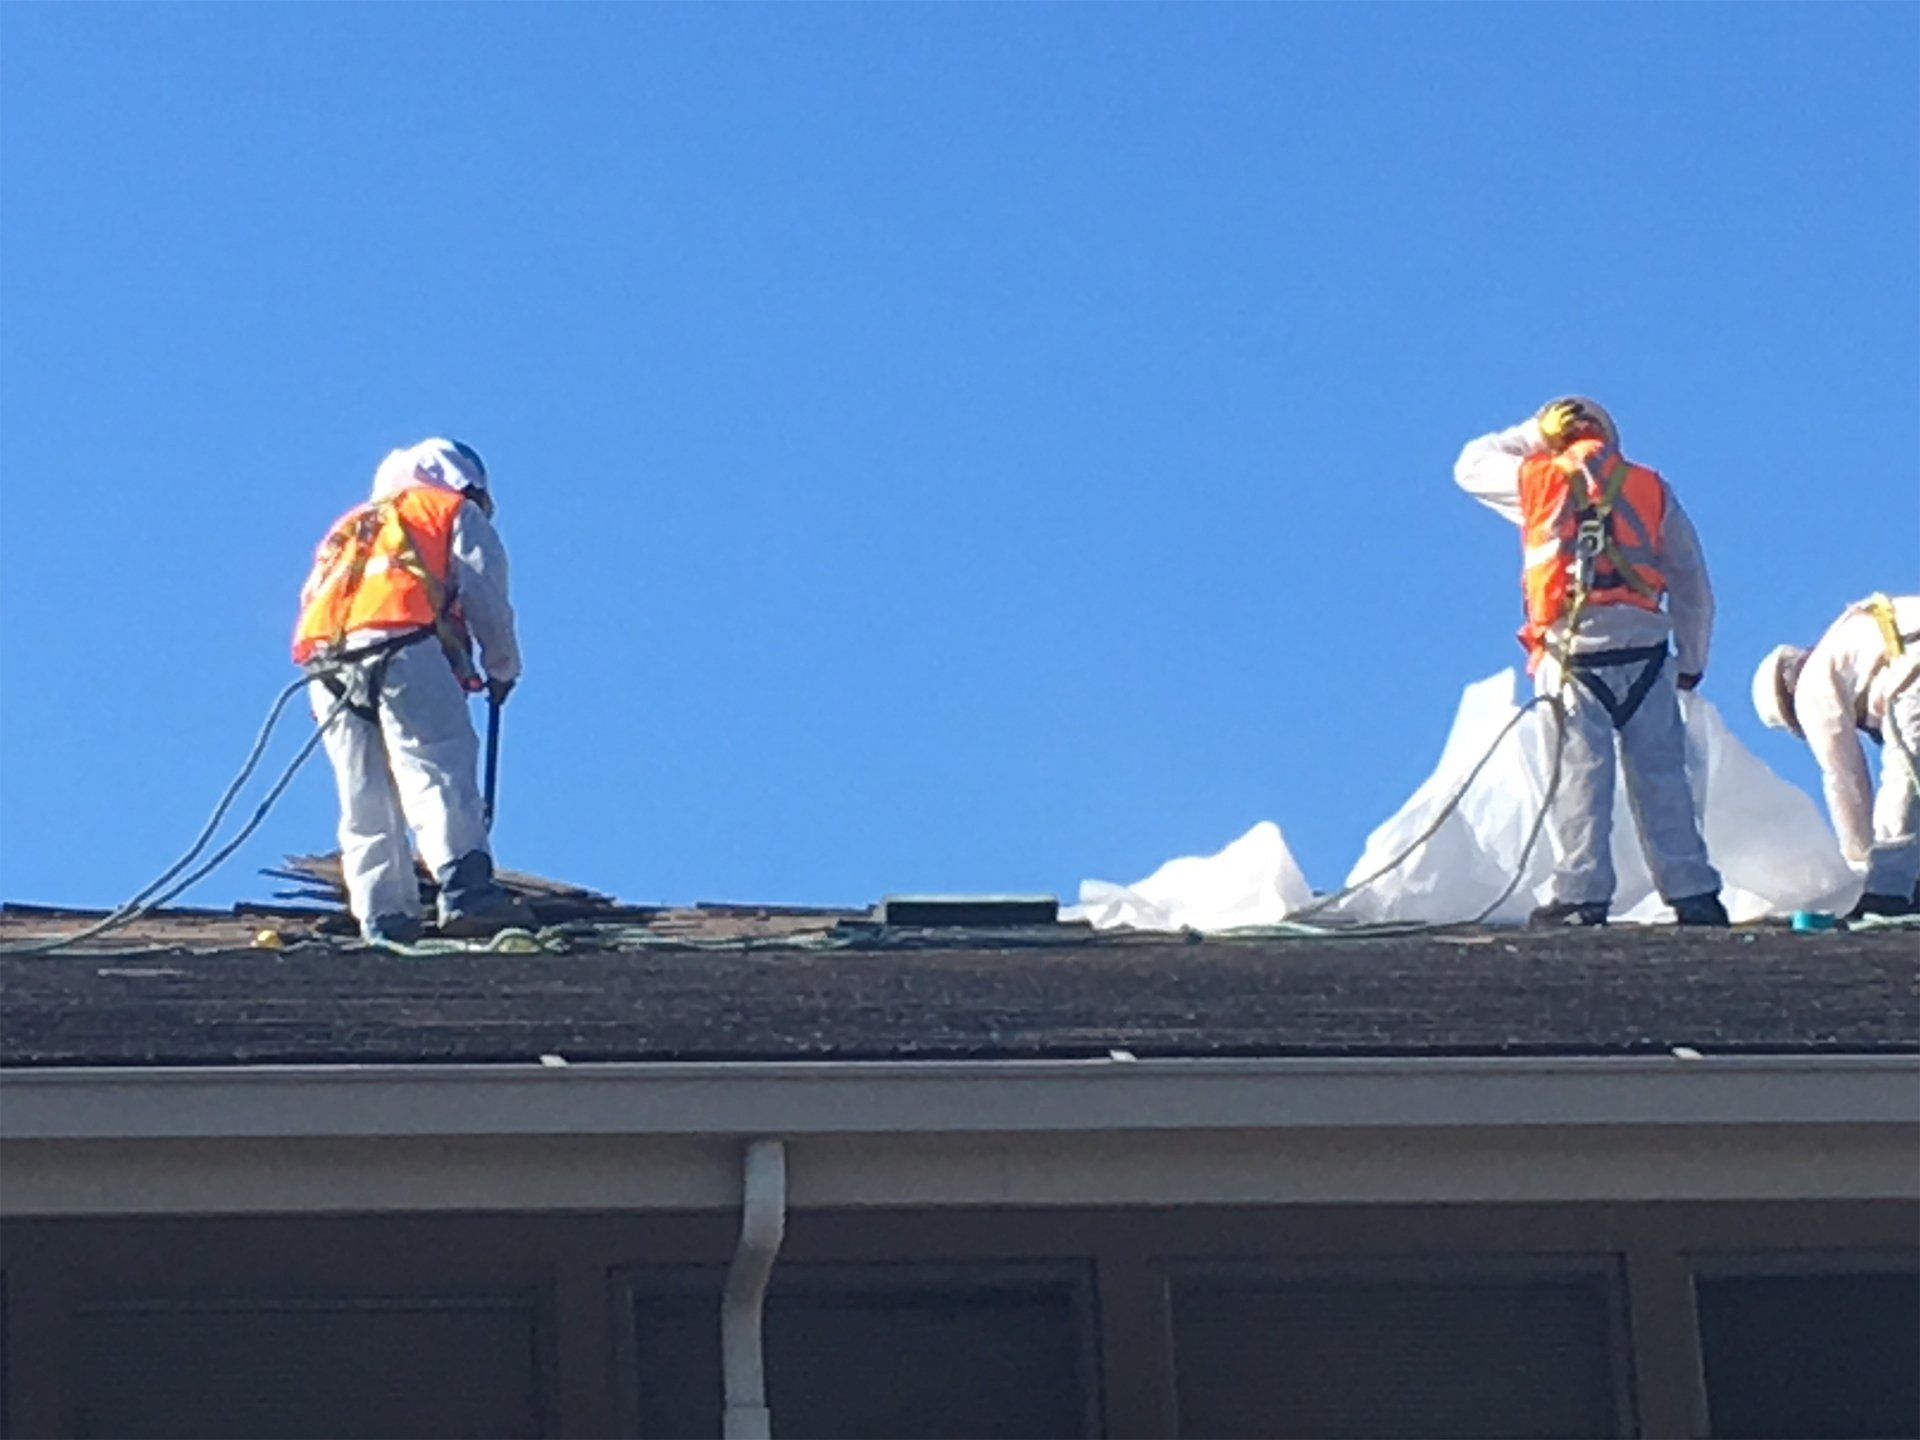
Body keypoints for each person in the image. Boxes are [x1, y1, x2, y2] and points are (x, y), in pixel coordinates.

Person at [1455, 397, 1727, 927]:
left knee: (1581, 779)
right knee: (1664, 778)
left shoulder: (1536, 481)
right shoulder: (1650, 490)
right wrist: (1691, 660)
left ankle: (1582, 896)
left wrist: (1533, 432)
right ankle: (1694, 894)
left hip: (1573, 651)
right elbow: (1692, 581)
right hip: (1647, 653)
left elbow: (1469, 464)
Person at [292, 438, 533, 942]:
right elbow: (484, 591)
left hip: (327, 666)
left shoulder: (351, 525)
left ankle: (384, 917)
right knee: (436, 764)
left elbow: (317, 596)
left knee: (363, 794)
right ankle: (467, 893)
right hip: (405, 646)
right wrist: (502, 668)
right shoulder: (449, 511)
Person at [1752, 594, 1920, 919]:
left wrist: (1858, 865)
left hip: (1914, 678)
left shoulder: (1810, 688)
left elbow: (1845, 778)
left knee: (1902, 788)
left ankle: (1889, 894)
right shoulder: (1849, 638)